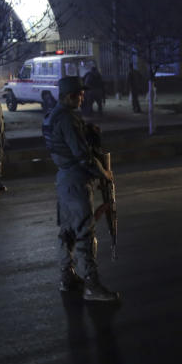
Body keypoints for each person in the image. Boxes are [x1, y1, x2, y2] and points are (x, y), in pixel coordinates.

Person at [42, 76, 119, 302]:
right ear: (68, 96)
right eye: (78, 94)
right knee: (85, 233)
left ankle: (67, 278)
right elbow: (83, 157)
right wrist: (104, 173)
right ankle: (92, 286)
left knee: (67, 231)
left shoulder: (52, 116)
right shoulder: (67, 119)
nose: (82, 96)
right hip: (76, 180)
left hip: (63, 179)